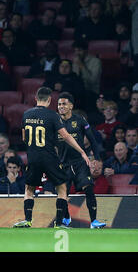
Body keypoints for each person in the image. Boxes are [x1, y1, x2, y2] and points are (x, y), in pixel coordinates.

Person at [13, 87, 90, 228]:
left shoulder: (26, 114)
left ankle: (28, 220)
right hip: (49, 157)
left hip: (33, 157)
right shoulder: (53, 116)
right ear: (49, 100)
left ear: (36, 98)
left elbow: (24, 137)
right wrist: (81, 151)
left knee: (29, 189)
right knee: (61, 188)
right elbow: (66, 136)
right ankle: (59, 223)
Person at [56, 92, 106, 228]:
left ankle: (94, 221)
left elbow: (93, 140)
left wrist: (97, 158)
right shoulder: (54, 122)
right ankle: (65, 218)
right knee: (62, 194)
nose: (61, 106)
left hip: (80, 163)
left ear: (71, 106)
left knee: (89, 188)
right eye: (59, 104)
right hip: (63, 164)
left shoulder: (80, 120)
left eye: (64, 104)